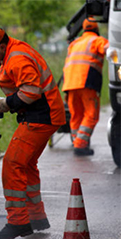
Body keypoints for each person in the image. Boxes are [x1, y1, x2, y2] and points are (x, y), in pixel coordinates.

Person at [0, 27, 66, 239]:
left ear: (1, 46)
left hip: (41, 117)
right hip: (45, 114)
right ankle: (36, 218)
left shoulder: (16, 57)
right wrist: (5, 104)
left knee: (12, 163)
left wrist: (5, 104)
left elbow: (31, 92)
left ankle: (18, 222)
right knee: (26, 165)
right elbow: (26, 90)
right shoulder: (15, 53)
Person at [62, 17, 109, 156]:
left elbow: (68, 64)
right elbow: (109, 50)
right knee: (91, 114)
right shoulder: (97, 40)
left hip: (70, 84)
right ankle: (80, 145)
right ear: (96, 29)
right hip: (86, 82)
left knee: (76, 114)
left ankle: (76, 140)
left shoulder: (74, 43)